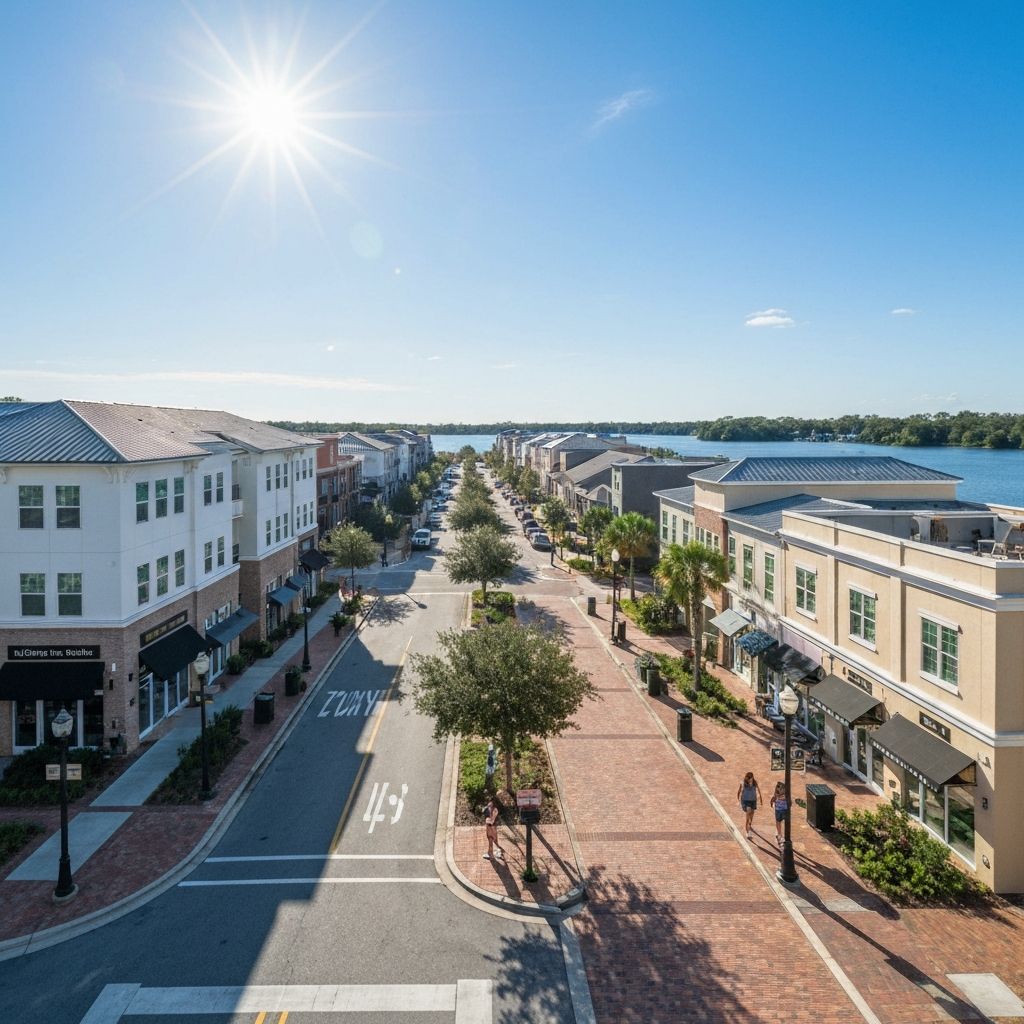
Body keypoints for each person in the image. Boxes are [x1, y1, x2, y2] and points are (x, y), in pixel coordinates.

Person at [737, 771, 762, 839]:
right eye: (749, 778)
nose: (750, 779)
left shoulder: (754, 782)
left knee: (752, 814)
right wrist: (738, 799)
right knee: (748, 815)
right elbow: (739, 791)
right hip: (746, 801)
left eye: (751, 777)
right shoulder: (743, 783)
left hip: (753, 801)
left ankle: (750, 824)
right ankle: (747, 832)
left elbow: (758, 790)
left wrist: (760, 798)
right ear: (746, 777)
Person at [482, 797, 504, 861]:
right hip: (491, 826)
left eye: (490, 802)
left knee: (490, 839)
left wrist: (488, 821)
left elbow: (492, 820)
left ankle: (491, 854)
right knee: (493, 839)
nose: (489, 803)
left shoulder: (494, 810)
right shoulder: (490, 808)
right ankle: (494, 852)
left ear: (493, 803)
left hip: (491, 826)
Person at [770, 781, 789, 846]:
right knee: (778, 822)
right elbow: (773, 798)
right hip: (778, 810)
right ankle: (779, 835)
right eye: (778, 788)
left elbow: (788, 800)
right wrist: (772, 803)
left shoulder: (785, 794)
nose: (779, 790)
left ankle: (780, 835)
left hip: (784, 810)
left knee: (784, 822)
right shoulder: (776, 794)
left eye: (781, 788)